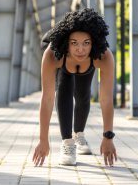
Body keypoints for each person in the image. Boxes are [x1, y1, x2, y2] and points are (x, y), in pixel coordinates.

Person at [32, 8, 117, 166]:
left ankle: (79, 134)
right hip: (63, 64)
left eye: (86, 43)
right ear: (66, 44)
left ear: (94, 43)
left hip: (87, 67)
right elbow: (48, 98)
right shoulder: (53, 55)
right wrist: (43, 140)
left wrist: (108, 137)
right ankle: (67, 142)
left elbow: (106, 99)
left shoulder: (103, 56)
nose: (80, 49)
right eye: (74, 43)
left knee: (83, 95)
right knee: (64, 89)